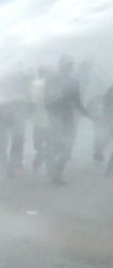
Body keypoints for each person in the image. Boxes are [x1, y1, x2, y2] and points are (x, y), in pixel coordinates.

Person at [44, 54, 92, 185]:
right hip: (61, 118)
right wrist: (87, 115)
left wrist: (87, 115)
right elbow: (76, 103)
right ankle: (54, 173)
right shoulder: (68, 81)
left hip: (61, 118)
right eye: (70, 65)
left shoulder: (69, 81)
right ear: (64, 66)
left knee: (64, 147)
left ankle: (54, 173)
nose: (71, 67)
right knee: (63, 147)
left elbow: (76, 103)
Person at [0, 68, 31, 177]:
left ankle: (8, 164)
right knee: (17, 139)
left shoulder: (3, 77)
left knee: (4, 140)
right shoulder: (24, 77)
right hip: (15, 113)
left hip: (6, 113)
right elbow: (28, 95)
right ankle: (13, 164)